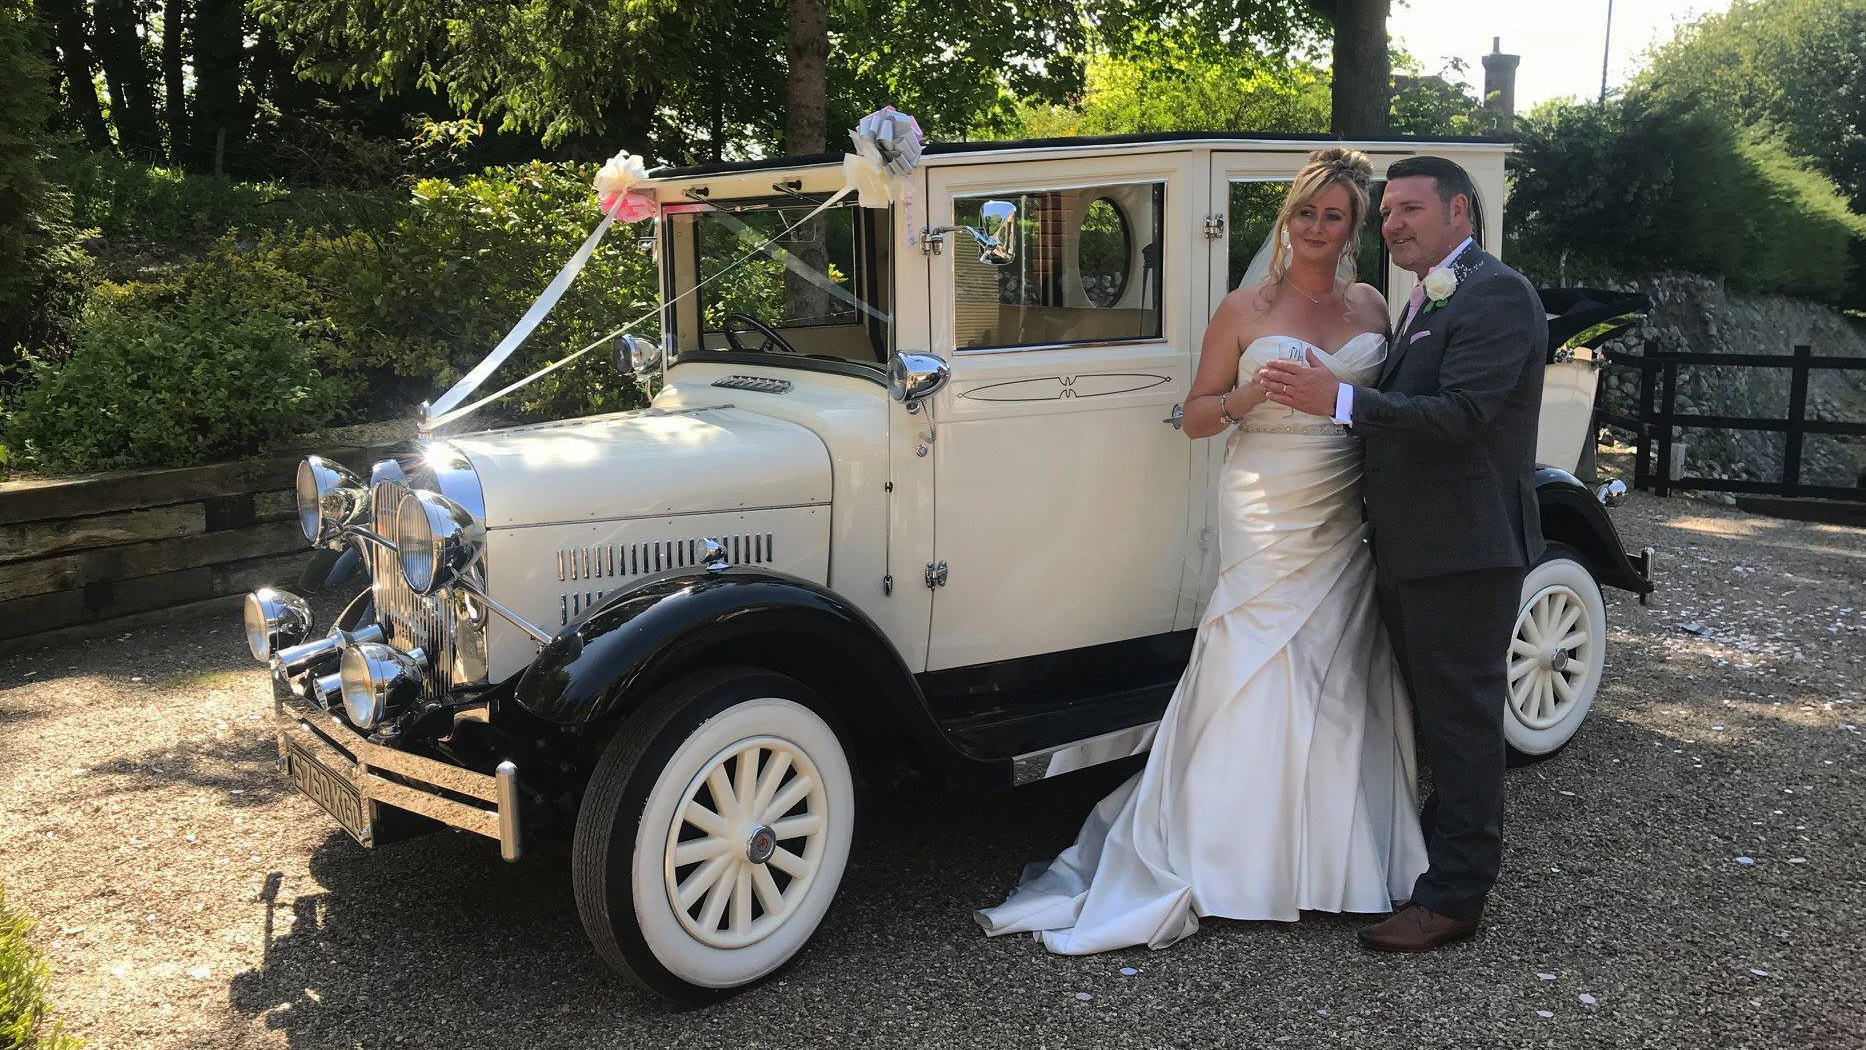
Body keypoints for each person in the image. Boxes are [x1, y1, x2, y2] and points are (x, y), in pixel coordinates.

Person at [975, 148, 1429, 954]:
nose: (1317, 228)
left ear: (1354, 228)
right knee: (1257, 650)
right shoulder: (1244, 309)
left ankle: (1331, 858)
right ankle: (1228, 852)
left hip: (1342, 497)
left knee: (1336, 661)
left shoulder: (1371, 307)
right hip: (1266, 495)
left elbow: (1384, 406)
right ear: (1285, 221)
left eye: (1334, 216)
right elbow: (1194, 417)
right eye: (1305, 213)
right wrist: (1253, 393)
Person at [1259, 154, 1548, 952]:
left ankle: (1456, 897)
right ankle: (1433, 859)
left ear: (1460, 211)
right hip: (1411, 545)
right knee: (1433, 716)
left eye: (1410, 209)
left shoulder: (1495, 294)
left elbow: (1459, 417)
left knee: (1462, 723)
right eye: (1386, 212)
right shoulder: (1424, 294)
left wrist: (1339, 399)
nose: (1393, 225)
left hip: (1464, 550)